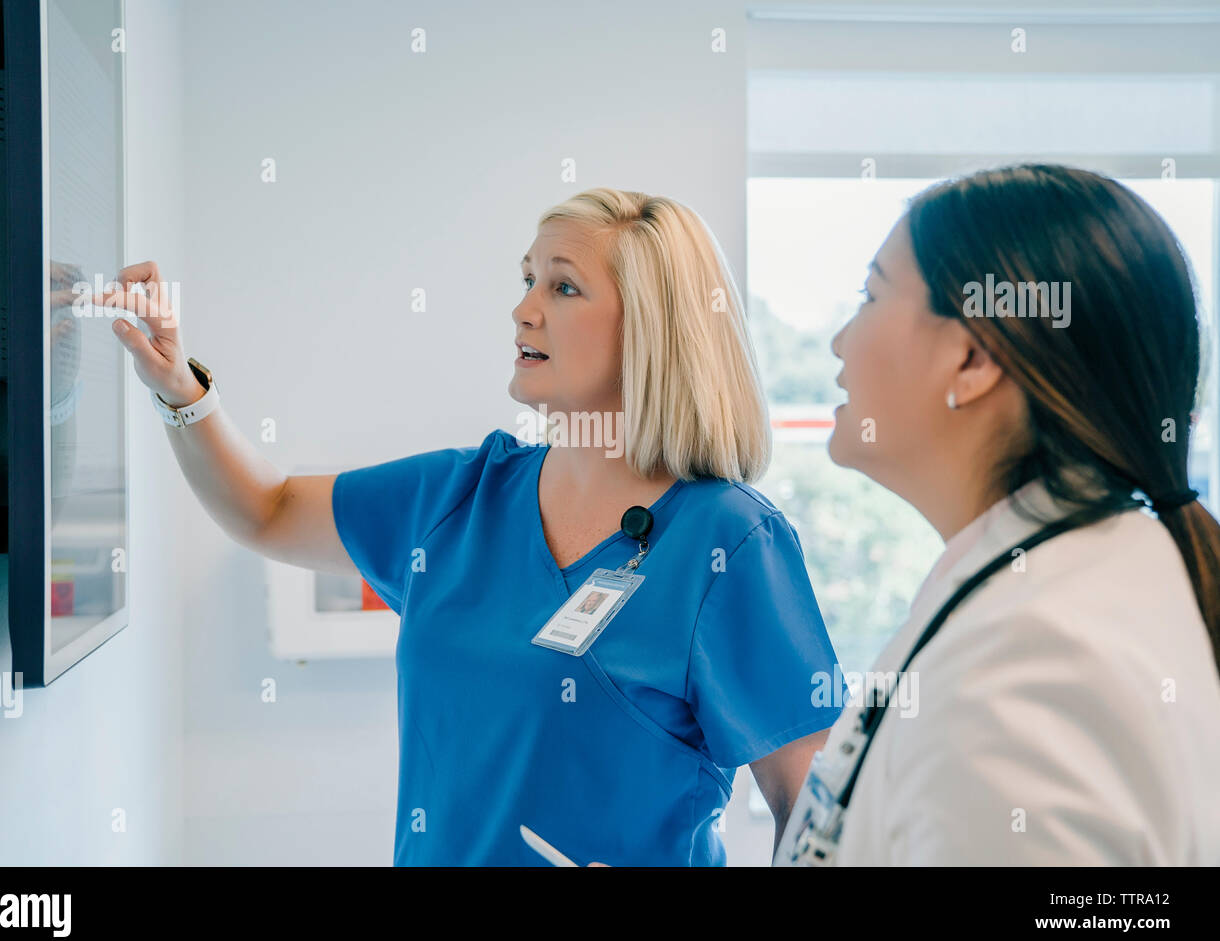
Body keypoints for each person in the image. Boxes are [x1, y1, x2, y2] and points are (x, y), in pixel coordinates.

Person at [100, 188, 843, 866]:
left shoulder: (728, 542)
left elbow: (820, 817)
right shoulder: (460, 497)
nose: (524, 309)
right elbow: (267, 509)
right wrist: (179, 387)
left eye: (563, 286)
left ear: (649, 329)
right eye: (527, 279)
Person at [775, 163, 1220, 866]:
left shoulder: (1028, 661)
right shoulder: (1066, 577)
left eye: (870, 296)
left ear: (974, 358)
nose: (839, 342)